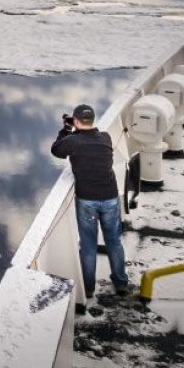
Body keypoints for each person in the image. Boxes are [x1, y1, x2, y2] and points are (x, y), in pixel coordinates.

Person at [51, 103, 130, 301]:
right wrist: (74, 129)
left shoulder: (73, 141)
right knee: (114, 241)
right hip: (111, 198)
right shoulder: (106, 137)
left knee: (88, 245)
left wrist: (65, 129)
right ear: (92, 120)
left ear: (76, 121)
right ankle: (121, 283)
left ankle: (88, 288)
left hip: (87, 200)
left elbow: (56, 150)